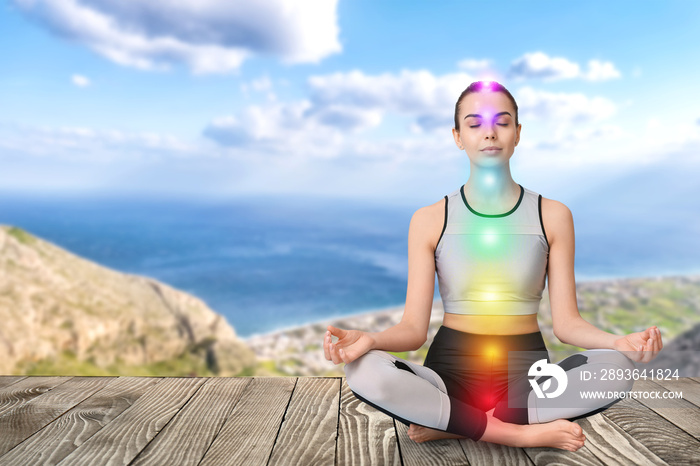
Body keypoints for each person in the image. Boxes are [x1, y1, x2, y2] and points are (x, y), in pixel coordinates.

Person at [322, 81, 663, 451]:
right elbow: (412, 330)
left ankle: (455, 421)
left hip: (529, 379)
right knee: (362, 368)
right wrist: (370, 340)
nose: (489, 132)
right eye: (474, 124)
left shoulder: (553, 215)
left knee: (617, 369)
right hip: (447, 374)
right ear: (457, 136)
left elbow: (567, 325)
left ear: (518, 133)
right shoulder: (429, 219)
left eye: (502, 122)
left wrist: (620, 343)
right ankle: (512, 432)